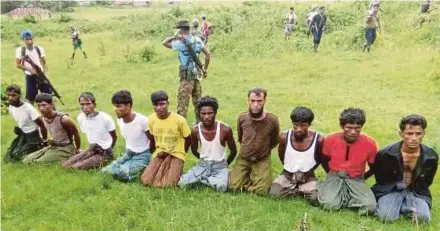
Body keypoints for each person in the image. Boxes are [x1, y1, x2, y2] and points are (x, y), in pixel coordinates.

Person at [369, 115, 438, 223]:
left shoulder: (431, 156)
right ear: (401, 133)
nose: (414, 138)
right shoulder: (386, 153)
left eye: (418, 134)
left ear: (424, 133)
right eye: (409, 133)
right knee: (386, 218)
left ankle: (404, 205)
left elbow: (427, 180)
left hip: (416, 191)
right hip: (391, 189)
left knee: (423, 219)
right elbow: (380, 178)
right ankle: (398, 205)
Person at [317, 108, 378, 215]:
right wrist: (332, 174)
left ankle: (345, 198)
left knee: (370, 206)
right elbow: (324, 160)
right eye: (349, 128)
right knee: (329, 205)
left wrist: (362, 177)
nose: (353, 132)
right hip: (335, 176)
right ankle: (331, 190)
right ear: (342, 126)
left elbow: (374, 167)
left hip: (356, 178)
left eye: (357, 128)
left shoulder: (370, 144)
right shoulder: (330, 140)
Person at [179, 96, 237, 192]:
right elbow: (194, 150)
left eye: (210, 113)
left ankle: (207, 178)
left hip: (220, 165)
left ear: (215, 113)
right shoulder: (195, 130)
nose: (206, 117)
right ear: (199, 114)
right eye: (203, 113)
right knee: (182, 183)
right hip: (203, 164)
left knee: (222, 187)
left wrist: (225, 165)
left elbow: (233, 151)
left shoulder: (225, 129)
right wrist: (203, 161)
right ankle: (207, 178)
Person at [229, 88, 280, 195]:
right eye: (252, 101)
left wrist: (262, 150)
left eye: (259, 101)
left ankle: (257, 179)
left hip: (262, 159)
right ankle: (251, 178)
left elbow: (275, 141)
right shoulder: (242, 118)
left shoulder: (273, 120)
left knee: (262, 191)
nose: (255, 105)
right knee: (233, 186)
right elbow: (240, 137)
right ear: (248, 100)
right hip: (244, 158)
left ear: (265, 101)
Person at [269, 107, 324, 205]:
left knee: (315, 199)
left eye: (303, 125)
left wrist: (308, 171)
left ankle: (299, 189)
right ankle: (299, 191)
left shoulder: (318, 139)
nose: (298, 129)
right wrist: (290, 168)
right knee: (274, 194)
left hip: (308, 175)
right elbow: (282, 156)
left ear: (309, 124)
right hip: (288, 174)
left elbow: (319, 159)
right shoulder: (284, 137)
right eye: (296, 125)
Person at [162, 20, 210, 123]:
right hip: (197, 74)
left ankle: (181, 127)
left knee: (182, 103)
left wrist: (175, 37)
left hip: (186, 77)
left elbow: (164, 43)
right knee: (198, 101)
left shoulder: (181, 43)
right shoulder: (197, 40)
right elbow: (207, 55)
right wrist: (205, 69)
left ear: (181, 30)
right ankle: (200, 125)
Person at [141, 91, 191, 188]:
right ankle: (165, 170)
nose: (159, 108)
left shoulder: (179, 120)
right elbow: (152, 138)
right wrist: (155, 153)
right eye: (156, 105)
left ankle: (178, 170)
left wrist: (181, 153)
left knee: (167, 185)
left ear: (167, 103)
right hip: (160, 153)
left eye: (162, 104)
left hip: (175, 154)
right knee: (146, 180)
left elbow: (188, 139)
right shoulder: (151, 119)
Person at [101, 90, 151, 181]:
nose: (115, 109)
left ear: (128, 106)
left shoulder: (142, 121)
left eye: (119, 106)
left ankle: (145, 168)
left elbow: (153, 140)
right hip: (129, 153)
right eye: (115, 106)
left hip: (144, 154)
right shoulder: (119, 119)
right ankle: (131, 166)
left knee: (122, 173)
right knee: (106, 171)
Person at [62, 92, 117, 170]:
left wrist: (108, 150)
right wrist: (89, 151)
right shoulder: (80, 118)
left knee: (76, 167)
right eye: (82, 104)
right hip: (91, 149)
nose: (85, 107)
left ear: (94, 105)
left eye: (88, 104)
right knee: (65, 165)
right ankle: (89, 156)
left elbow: (114, 136)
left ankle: (107, 159)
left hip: (104, 151)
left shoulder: (105, 118)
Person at [23, 93, 80, 164]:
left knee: (39, 162)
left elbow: (76, 133)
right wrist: (44, 141)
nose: (41, 108)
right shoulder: (42, 118)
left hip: (66, 147)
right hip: (53, 145)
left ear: (51, 105)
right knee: (26, 160)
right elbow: (43, 128)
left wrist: (77, 149)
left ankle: (68, 155)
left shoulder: (64, 119)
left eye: (44, 105)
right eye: (38, 105)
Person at [4, 84, 47, 162]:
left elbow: (42, 124)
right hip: (23, 135)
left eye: (14, 95)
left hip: (34, 137)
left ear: (19, 95)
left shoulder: (28, 108)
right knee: (9, 155)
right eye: (9, 95)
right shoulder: (11, 107)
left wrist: (44, 141)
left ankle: (40, 148)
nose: (10, 98)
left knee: (18, 156)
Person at [15, 29, 51, 105]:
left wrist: (45, 73)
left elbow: (44, 62)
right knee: (31, 98)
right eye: (27, 39)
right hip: (30, 76)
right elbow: (18, 64)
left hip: (41, 75)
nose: (29, 41)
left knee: (48, 96)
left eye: (31, 39)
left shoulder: (39, 49)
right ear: (24, 40)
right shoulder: (21, 50)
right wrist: (29, 69)